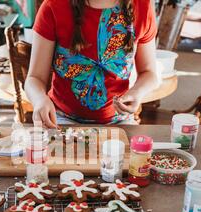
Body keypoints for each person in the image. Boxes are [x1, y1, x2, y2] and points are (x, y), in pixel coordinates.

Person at [25, 0, 159, 128]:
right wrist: (39, 100)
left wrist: (137, 93)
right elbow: (35, 78)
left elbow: (149, 73)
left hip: (120, 121)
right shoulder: (53, 7)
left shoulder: (142, 6)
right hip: (61, 119)